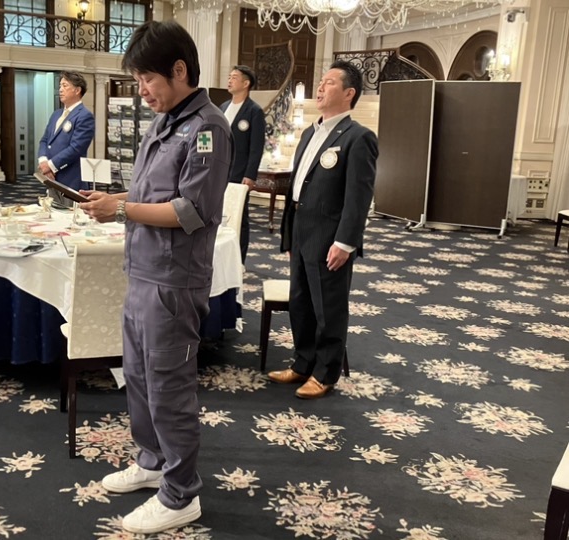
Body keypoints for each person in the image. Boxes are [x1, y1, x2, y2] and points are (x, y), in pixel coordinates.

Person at [79, 20, 232, 535]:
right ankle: (151, 461)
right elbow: (150, 195)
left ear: (179, 70)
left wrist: (121, 210)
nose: (141, 91)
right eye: (138, 80)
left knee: (169, 387)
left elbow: (191, 211)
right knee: (139, 378)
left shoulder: (208, 128)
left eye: (147, 79)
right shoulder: (164, 122)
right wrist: (114, 200)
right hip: (143, 270)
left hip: (173, 280)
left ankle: (180, 494)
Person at [269, 60, 377, 399]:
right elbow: (297, 188)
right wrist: (289, 234)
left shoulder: (358, 138)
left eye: (329, 82)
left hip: (330, 237)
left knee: (328, 307)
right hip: (301, 231)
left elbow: (358, 198)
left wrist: (345, 243)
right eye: (321, 81)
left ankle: (326, 373)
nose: (320, 86)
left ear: (349, 93)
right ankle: (303, 363)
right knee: (300, 302)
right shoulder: (308, 134)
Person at [220, 65, 266, 263]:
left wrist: (250, 174)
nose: (229, 80)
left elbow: (256, 147)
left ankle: (239, 261)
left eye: (234, 77)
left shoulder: (254, 111)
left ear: (246, 83)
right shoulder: (223, 107)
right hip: (219, 171)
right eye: (229, 77)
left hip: (239, 173)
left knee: (239, 215)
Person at [37, 71, 95, 201]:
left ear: (77, 90)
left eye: (65, 86)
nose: (60, 90)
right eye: (60, 86)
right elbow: (45, 140)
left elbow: (76, 148)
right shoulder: (56, 114)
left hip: (71, 178)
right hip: (51, 177)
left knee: (69, 212)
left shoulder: (84, 116)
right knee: (53, 209)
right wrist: (43, 161)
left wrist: (50, 165)